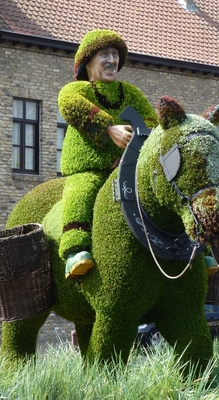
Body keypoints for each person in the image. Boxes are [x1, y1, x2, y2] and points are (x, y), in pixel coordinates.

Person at [57, 29, 158, 280]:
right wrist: (108, 128)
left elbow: (150, 122)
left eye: (115, 55)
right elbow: (69, 102)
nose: (112, 60)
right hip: (89, 169)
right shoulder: (78, 90)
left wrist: (133, 145)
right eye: (104, 55)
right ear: (88, 62)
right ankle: (75, 248)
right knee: (82, 191)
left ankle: (195, 249)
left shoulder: (130, 93)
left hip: (127, 168)